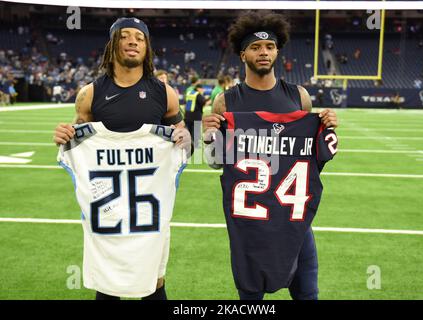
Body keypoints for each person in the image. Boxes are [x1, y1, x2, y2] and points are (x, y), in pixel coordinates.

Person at [53, 17, 191, 300]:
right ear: (112, 44)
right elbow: (79, 136)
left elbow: (184, 137)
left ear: (147, 47)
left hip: (148, 208)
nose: (132, 42)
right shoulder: (90, 93)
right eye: (125, 36)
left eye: (139, 38)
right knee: (106, 280)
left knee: (155, 280)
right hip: (108, 207)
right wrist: (66, 133)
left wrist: (187, 139)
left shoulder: (165, 93)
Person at [202, 12, 338, 300]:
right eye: (255, 47)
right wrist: (209, 137)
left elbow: (309, 161)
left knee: (307, 296)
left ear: (277, 51)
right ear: (243, 55)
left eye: (270, 47)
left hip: (293, 223)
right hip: (250, 226)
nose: (263, 52)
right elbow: (216, 161)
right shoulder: (226, 101)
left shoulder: (299, 96)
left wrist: (326, 127)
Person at [184, 83, 210, 149]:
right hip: (196, 115)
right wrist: (209, 100)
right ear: (199, 89)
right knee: (196, 130)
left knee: (189, 130)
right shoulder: (198, 94)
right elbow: (203, 102)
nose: (203, 90)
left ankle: (188, 143)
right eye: (202, 89)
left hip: (187, 115)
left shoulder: (189, 93)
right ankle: (196, 145)